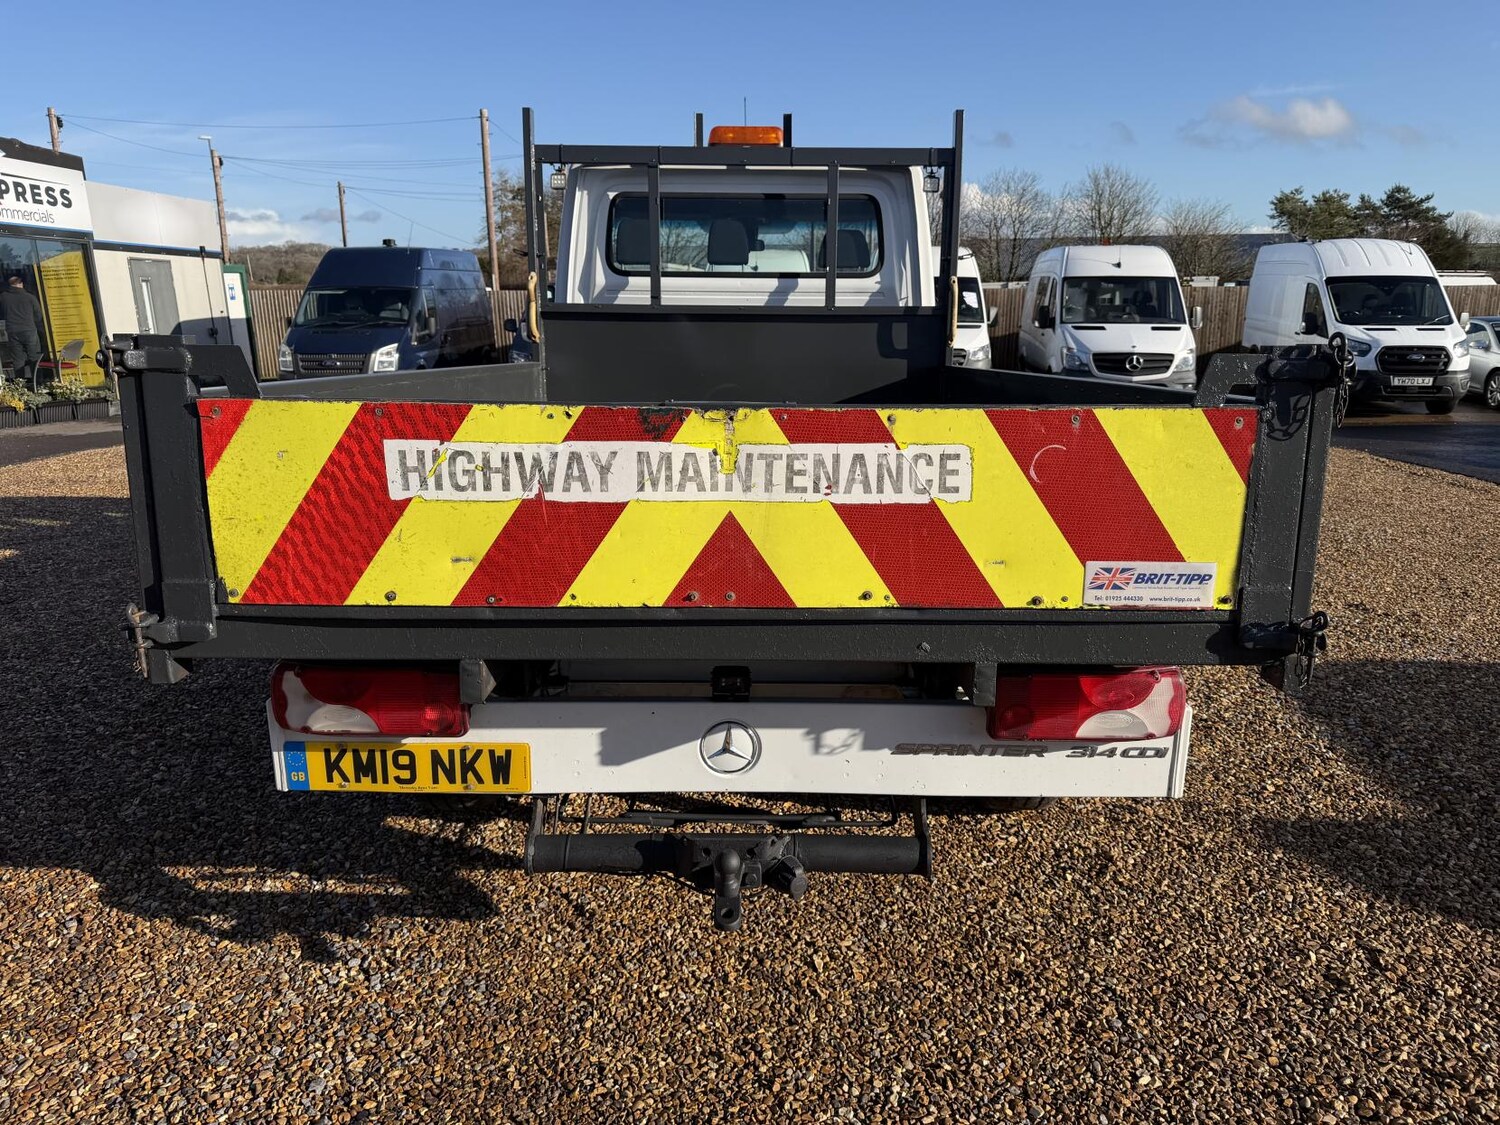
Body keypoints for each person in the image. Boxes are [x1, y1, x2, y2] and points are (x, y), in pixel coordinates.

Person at [1, 276, 46, 390]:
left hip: (12, 331)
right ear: (21, 284)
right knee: (34, 357)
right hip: (29, 330)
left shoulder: (3, 297)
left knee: (18, 360)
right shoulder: (30, 297)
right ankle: (38, 384)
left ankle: (20, 387)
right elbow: (38, 316)